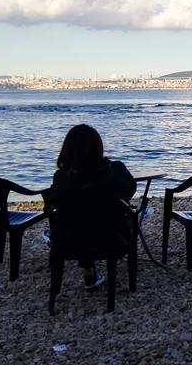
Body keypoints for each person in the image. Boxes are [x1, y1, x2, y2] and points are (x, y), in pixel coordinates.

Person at [48, 124, 136, 290]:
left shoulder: (61, 177)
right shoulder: (115, 170)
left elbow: (53, 200)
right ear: (98, 146)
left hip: (68, 240)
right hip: (112, 239)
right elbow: (129, 190)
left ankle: (88, 269)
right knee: (109, 216)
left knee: (81, 218)